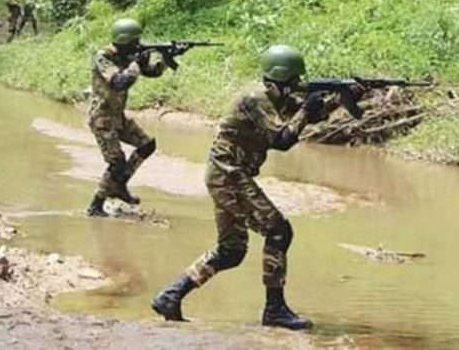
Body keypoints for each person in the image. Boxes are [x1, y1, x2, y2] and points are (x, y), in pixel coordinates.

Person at [150, 45, 364, 329]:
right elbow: (283, 139)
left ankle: (171, 295)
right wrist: (307, 108)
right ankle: (274, 310)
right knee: (278, 230)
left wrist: (342, 98)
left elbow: (306, 115)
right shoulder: (256, 99)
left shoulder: (274, 97)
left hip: (225, 173)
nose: (297, 86)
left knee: (231, 251)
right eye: (294, 81)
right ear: (282, 79)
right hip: (229, 173)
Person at [85, 18, 167, 217]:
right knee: (117, 162)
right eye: (134, 42)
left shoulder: (128, 55)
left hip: (117, 116)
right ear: (123, 42)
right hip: (102, 118)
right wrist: (136, 63)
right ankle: (96, 205)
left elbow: (152, 73)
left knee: (147, 145)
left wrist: (164, 59)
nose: (137, 45)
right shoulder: (103, 57)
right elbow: (119, 82)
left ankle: (120, 186)